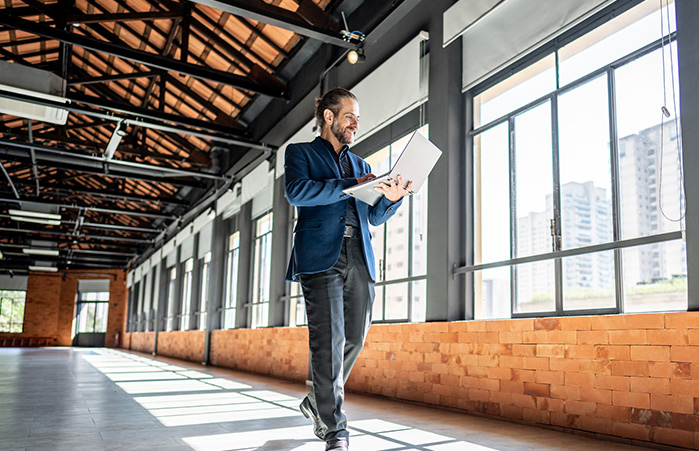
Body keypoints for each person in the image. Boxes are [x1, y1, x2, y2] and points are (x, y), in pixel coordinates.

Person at [284, 88, 412, 451]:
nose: (356, 123)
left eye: (358, 118)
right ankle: (335, 430)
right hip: (319, 258)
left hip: (359, 256)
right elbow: (298, 192)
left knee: (354, 337)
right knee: (328, 343)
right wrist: (348, 186)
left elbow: (372, 215)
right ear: (328, 116)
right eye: (349, 116)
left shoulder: (362, 167)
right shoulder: (301, 153)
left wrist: (391, 199)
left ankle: (315, 403)